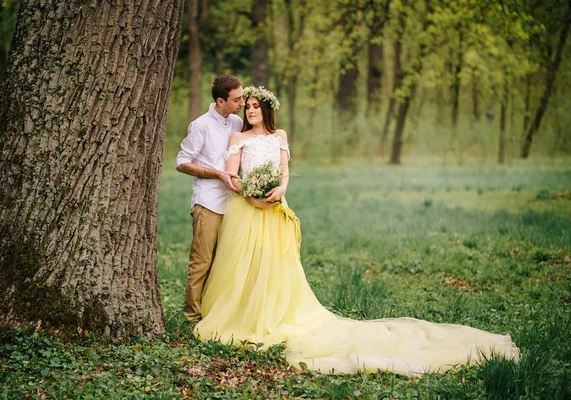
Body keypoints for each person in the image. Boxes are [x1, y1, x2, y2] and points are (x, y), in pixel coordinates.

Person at [193, 86, 519, 377]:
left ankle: (273, 314)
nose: (250, 112)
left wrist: (280, 189)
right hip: (247, 210)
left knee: (275, 266)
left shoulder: (280, 137)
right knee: (243, 265)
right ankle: (243, 316)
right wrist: (251, 195)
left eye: (255, 106)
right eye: (246, 106)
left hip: (276, 207)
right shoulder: (238, 139)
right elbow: (232, 177)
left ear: (267, 110)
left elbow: (285, 170)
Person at [175, 74, 245, 323]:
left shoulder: (236, 122)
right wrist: (216, 173)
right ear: (220, 100)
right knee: (202, 262)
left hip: (234, 205)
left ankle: (216, 313)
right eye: (237, 99)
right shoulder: (201, 125)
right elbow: (182, 163)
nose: (242, 103)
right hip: (208, 203)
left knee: (224, 263)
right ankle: (192, 317)